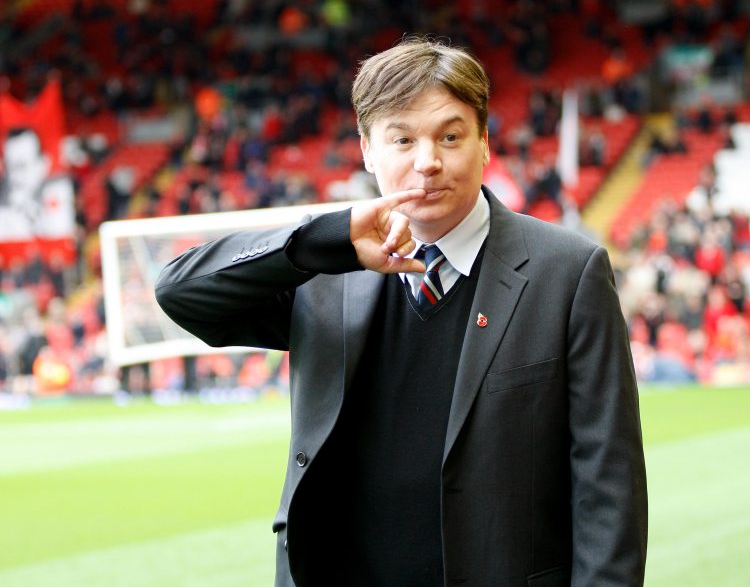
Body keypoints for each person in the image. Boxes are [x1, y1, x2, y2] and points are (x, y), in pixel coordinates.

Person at [155, 37, 648, 587]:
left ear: (485, 142)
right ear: (368, 150)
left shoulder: (568, 272)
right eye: (403, 139)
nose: (427, 162)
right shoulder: (323, 273)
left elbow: (609, 482)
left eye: (451, 136)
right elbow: (181, 292)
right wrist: (321, 241)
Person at [0, 127, 75, 240]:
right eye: (11, 166)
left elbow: (59, 234)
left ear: (43, 164)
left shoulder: (58, 193)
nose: (16, 175)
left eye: (23, 165)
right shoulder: (4, 215)